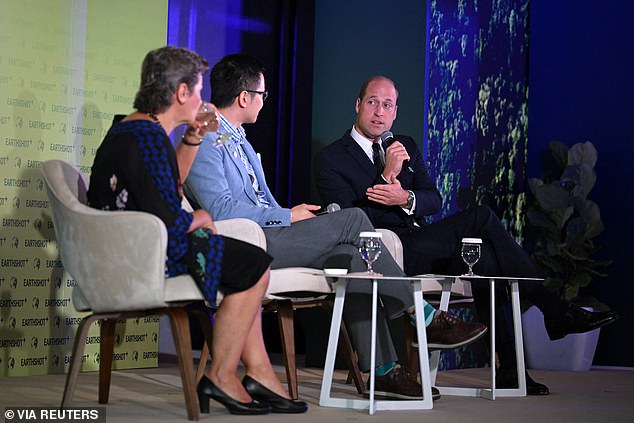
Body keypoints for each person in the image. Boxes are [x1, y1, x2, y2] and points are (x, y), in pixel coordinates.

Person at [183, 54, 487, 401]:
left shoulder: (241, 140)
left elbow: (261, 203)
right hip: (248, 247)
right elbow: (220, 209)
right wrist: (287, 216)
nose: (265, 102)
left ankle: (384, 371)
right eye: (263, 95)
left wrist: (293, 214)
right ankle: (422, 314)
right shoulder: (205, 138)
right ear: (244, 97)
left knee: (352, 260)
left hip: (272, 234)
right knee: (354, 218)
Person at [314, 75, 619, 395]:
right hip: (386, 252)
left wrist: (405, 198)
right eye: (373, 103)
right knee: (482, 216)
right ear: (358, 105)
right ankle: (553, 309)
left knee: (488, 258)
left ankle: (511, 369)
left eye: (387, 105)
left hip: (421, 241)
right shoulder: (332, 157)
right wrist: (388, 176)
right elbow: (349, 220)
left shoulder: (404, 145)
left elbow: (433, 199)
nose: (379, 112)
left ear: (395, 113)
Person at [87, 46, 307, 415]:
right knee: (252, 267)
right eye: (199, 90)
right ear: (181, 93)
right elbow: (168, 219)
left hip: (138, 249)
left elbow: (168, 185)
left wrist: (191, 138)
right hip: (142, 258)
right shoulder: (147, 138)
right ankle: (223, 375)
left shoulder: (138, 129)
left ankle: (256, 373)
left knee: (249, 264)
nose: (205, 99)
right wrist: (201, 219)